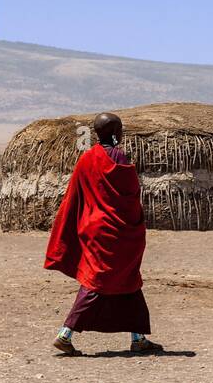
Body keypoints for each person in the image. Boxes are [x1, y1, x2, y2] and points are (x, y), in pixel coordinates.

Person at [44, 112, 156, 355]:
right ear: (116, 133)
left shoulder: (86, 159)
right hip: (118, 233)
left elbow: (74, 196)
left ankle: (138, 338)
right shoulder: (119, 157)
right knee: (98, 282)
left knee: (128, 280)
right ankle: (65, 334)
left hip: (94, 230)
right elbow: (131, 195)